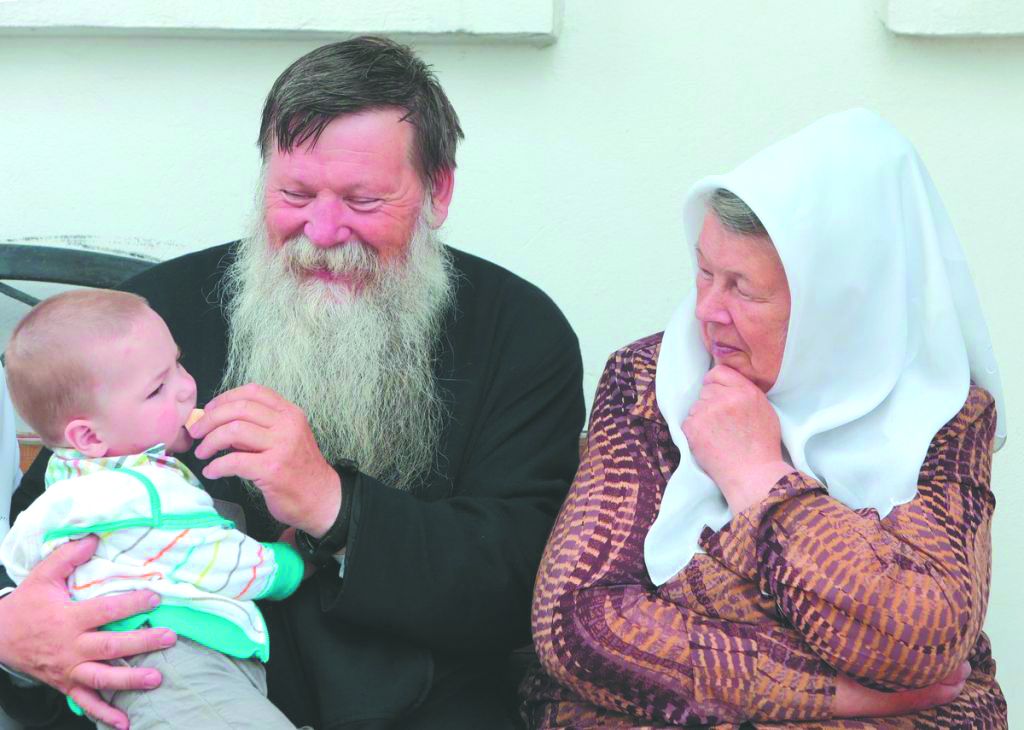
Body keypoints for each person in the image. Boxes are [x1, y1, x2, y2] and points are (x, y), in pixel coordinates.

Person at [0, 36, 584, 729]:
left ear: (438, 191)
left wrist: (334, 505)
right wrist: (14, 631)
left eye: (364, 200)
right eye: (295, 194)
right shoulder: (152, 316)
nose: (323, 231)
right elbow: (44, 525)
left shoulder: (518, 331)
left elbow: (525, 587)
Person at [523, 109, 1007, 728]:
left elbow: (923, 642)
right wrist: (836, 690)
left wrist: (757, 478)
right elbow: (578, 624)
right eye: (704, 272)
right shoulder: (651, 380)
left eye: (743, 288)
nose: (707, 310)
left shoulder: (943, 413)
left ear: (838, 303)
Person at [1, 290, 306, 729]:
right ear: (89, 437)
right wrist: (292, 560)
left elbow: (19, 561)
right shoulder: (147, 493)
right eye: (157, 389)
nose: (186, 387)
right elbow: (218, 560)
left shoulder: (66, 489)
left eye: (178, 363)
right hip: (172, 659)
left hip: (137, 672)